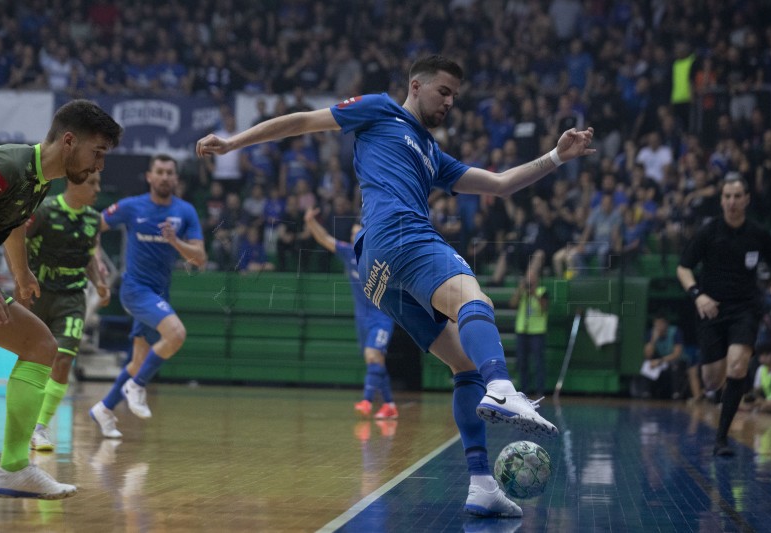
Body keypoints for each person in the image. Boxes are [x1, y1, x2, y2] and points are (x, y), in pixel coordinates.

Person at [197, 55, 595, 518]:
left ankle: (482, 483)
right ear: (416, 85)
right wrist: (232, 144)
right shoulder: (380, 108)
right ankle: (503, 386)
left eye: (455, 97)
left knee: (465, 364)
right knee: (474, 299)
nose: (450, 102)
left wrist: (556, 157)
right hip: (399, 233)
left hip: (376, 274)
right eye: (443, 91)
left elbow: (502, 184)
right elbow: (304, 121)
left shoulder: (432, 153)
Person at [0, 99, 122, 499]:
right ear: (69, 141)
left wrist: (21, 272)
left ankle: (13, 468)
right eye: (96, 153)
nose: (99, 166)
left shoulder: (38, 182)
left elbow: (13, 227)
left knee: (39, 345)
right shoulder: (8, 166)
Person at [90, 154, 206, 439]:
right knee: (176, 334)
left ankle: (104, 409)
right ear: (150, 177)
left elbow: (200, 258)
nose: (165, 176)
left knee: (137, 361)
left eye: (170, 172)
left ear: (176, 179)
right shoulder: (132, 207)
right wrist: (97, 260)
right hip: (134, 290)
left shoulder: (185, 212)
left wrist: (175, 242)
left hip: (159, 292)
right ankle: (137, 386)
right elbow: (93, 225)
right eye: (160, 172)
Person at [677, 175, 771, 457]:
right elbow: (683, 268)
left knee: (738, 367)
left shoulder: (757, 233)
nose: (732, 202)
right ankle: (724, 381)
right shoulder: (709, 231)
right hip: (711, 309)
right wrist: (697, 295)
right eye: (727, 196)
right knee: (712, 380)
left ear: (747, 199)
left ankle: (721, 439)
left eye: (737, 196)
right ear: (721, 199)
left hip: (745, 309)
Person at [22, 171, 111, 452]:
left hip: (72, 297)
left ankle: (40, 428)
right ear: (74, 182)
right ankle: (21, 422)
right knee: (31, 362)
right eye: (92, 183)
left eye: (98, 183)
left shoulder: (93, 220)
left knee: (63, 360)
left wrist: (98, 283)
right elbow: (19, 242)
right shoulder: (45, 211)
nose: (98, 188)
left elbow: (88, 260)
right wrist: (21, 278)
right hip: (38, 294)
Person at [303, 207, 398, 419]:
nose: (354, 237)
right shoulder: (348, 253)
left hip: (382, 317)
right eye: (352, 234)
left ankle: (366, 400)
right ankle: (390, 405)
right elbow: (325, 239)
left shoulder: (380, 255)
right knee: (375, 361)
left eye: (358, 234)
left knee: (372, 355)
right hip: (362, 319)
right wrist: (310, 222)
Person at [509, 269, 549, 397]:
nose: (530, 281)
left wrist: (534, 294)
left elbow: (544, 307)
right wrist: (520, 290)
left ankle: (540, 390)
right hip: (522, 330)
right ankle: (524, 389)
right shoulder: (522, 293)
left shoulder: (542, 291)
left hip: (537, 331)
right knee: (522, 362)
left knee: (538, 362)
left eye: (532, 278)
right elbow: (512, 304)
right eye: (528, 278)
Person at [637, 312, 686, 400]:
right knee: (647, 363)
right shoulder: (652, 333)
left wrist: (660, 361)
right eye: (656, 324)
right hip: (659, 361)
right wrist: (653, 340)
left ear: (666, 323)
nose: (658, 326)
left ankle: (676, 394)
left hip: (673, 360)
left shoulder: (675, 331)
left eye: (661, 323)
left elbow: (677, 354)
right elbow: (648, 354)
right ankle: (646, 393)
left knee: (676, 365)